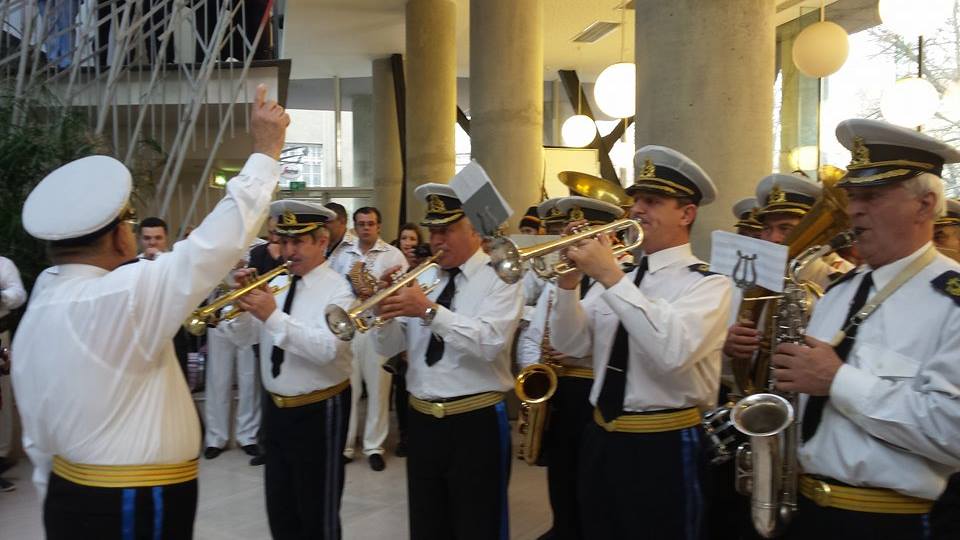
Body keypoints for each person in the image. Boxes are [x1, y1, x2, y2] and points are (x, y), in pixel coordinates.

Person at [11, 84, 288, 539]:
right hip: (133, 503)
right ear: (119, 236)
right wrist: (265, 150)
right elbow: (214, 245)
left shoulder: (42, 300)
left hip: (67, 491)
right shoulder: (121, 294)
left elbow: (36, 432)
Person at [771, 119, 960, 540]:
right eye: (853, 196)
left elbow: (953, 430)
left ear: (925, 205)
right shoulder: (837, 293)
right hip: (808, 511)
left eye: (872, 196)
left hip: (893, 523)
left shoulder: (952, 302)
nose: (854, 209)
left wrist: (838, 380)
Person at [549, 145, 733, 539]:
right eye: (636, 200)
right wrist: (567, 286)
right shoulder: (623, 278)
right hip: (601, 435)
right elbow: (570, 345)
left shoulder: (709, 284)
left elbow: (672, 352)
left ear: (686, 214)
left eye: (652, 201)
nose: (637, 210)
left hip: (664, 443)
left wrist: (610, 277)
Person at [373, 183, 522, 540]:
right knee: (427, 524)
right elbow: (391, 346)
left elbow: (490, 342)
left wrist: (429, 311)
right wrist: (384, 315)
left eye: (447, 230)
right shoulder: (423, 277)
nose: (437, 240)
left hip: (475, 421)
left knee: (479, 526)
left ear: (474, 229)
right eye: (433, 230)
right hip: (422, 420)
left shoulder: (501, 276)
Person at [219, 199, 354, 539]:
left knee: (317, 513)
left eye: (298, 241)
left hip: (319, 409)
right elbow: (245, 338)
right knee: (280, 510)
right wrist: (241, 310)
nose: (288, 251)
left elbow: (326, 349)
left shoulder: (339, 289)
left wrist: (272, 315)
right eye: (284, 241)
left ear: (322, 241)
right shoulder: (276, 283)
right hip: (275, 409)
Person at [516, 196, 623, 540]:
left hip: (593, 390)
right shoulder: (559, 278)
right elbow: (534, 333)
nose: (574, 245)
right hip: (558, 388)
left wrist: (572, 350)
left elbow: (610, 340)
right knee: (560, 475)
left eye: (581, 236)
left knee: (591, 483)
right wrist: (533, 370)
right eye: (570, 236)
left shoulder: (623, 274)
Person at [336, 207, 407, 471]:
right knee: (348, 389)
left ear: (379, 226)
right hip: (349, 330)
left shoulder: (393, 255)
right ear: (355, 227)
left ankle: (374, 446)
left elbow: (403, 289)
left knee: (378, 390)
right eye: (361, 223)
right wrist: (352, 288)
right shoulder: (342, 254)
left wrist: (377, 290)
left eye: (371, 223)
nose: (366, 227)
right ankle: (345, 445)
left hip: (378, 328)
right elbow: (331, 288)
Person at [202, 258, 263, 462]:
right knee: (218, 379)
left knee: (249, 378)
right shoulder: (214, 249)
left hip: (247, 315)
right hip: (218, 315)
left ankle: (248, 436)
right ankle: (215, 438)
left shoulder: (256, 247)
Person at [387, 222, 424, 457]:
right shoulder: (396, 267)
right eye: (404, 238)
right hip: (401, 334)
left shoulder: (427, 266)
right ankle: (404, 435)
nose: (408, 243)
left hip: (420, 332)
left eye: (412, 239)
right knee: (401, 390)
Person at [0, 255, 26, 492]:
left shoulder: (3, 264)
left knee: (1, 399)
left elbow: (18, 294)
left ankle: (1, 456)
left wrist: (2, 296)